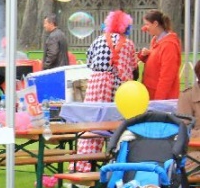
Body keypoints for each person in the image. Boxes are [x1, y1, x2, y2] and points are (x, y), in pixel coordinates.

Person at [75, 10, 137, 170]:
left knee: (93, 124)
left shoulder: (98, 40)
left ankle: (84, 163)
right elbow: (133, 67)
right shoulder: (129, 44)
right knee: (118, 125)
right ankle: (116, 161)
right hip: (120, 88)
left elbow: (89, 62)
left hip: (97, 85)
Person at [138, 9, 182, 100]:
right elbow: (156, 62)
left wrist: (158, 101)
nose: (145, 28)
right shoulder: (155, 40)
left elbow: (167, 77)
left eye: (147, 24)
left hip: (163, 99)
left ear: (155, 24)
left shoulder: (169, 45)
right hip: (150, 95)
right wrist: (145, 56)